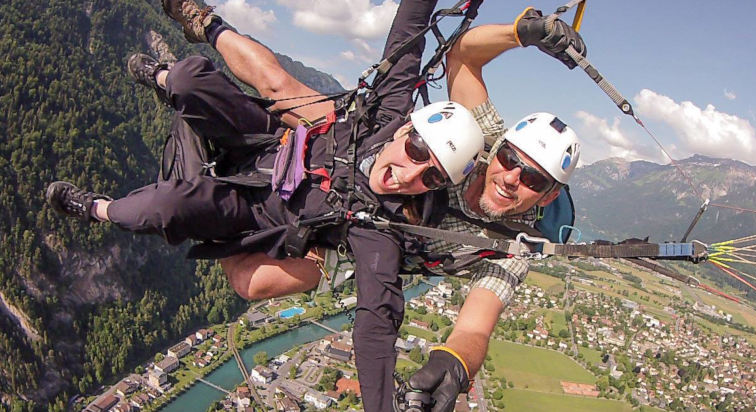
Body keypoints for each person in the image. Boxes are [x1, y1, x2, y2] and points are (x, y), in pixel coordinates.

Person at [47, 1, 484, 410]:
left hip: (248, 208)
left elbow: (376, 328)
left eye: (430, 177)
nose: (409, 173)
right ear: (406, 127)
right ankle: (163, 79)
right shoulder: (385, 114)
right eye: (417, 149)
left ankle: (93, 207)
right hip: (265, 141)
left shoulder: (378, 235)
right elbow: (409, 31)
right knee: (187, 79)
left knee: (154, 209)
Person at [178, 4, 585, 411]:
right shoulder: (489, 136)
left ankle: (205, 192)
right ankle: (205, 23)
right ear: (500, 149)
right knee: (279, 87)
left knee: (252, 282)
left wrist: (456, 362)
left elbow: (476, 325)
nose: (511, 177)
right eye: (511, 161)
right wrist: (522, 31)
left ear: (548, 195)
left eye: (532, 180)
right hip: (386, 160)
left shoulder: (513, 248)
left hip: (367, 240)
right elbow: (464, 54)